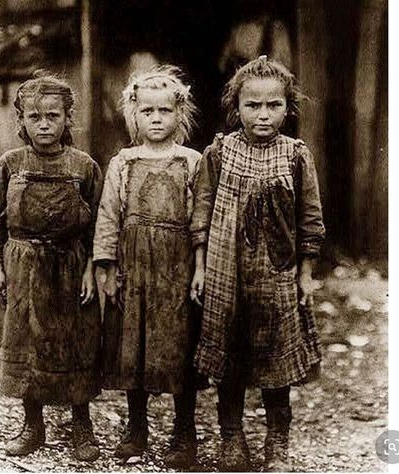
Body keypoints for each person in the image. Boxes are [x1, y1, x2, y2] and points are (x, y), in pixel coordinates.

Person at [190, 55, 325, 472]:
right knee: (228, 356)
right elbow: (202, 210)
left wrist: (305, 275)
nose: (263, 114)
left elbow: (310, 218)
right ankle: (231, 437)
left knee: (276, 361)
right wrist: (200, 266)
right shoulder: (220, 151)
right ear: (237, 107)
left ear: (287, 107)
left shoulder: (296, 155)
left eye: (273, 105)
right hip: (224, 270)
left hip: (277, 274)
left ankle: (277, 441)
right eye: (253, 105)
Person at [0, 72, 103, 461]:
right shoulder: (9, 164)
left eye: (53, 115)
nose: (44, 123)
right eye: (35, 117)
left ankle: (81, 426)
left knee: (75, 342)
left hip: (70, 266)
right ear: (21, 121)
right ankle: (32, 425)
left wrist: (91, 270)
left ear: (69, 117)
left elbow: (100, 223)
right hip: (22, 266)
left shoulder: (84, 166)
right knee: (26, 342)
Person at [93, 65, 206, 469]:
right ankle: (136, 428)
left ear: (180, 114)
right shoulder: (122, 163)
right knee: (133, 346)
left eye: (164, 111)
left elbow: (200, 221)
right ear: (134, 114)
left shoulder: (191, 162)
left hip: (175, 271)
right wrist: (105, 265)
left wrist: (200, 267)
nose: (156, 119)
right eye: (147, 112)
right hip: (133, 268)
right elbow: (108, 216)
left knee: (179, 347)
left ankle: (184, 432)